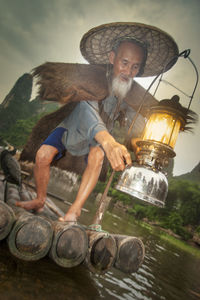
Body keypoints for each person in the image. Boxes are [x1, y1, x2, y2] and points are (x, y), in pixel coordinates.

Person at [16, 22, 179, 222]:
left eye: (135, 67)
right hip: (71, 128)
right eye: (125, 63)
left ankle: (74, 211)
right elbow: (87, 109)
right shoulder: (93, 78)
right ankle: (40, 199)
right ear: (112, 58)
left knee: (97, 156)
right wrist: (109, 142)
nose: (128, 71)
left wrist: (142, 151)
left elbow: (136, 126)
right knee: (42, 155)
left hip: (97, 141)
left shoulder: (129, 94)